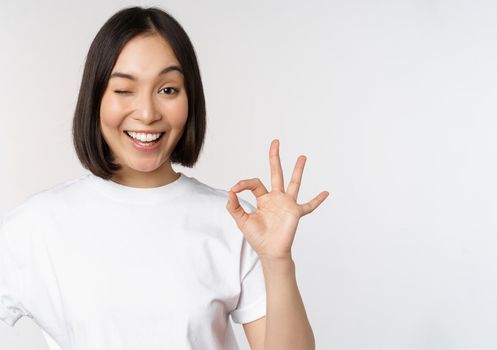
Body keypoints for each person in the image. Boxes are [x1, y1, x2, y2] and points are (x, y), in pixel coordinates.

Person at [0, 6, 328, 350]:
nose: (147, 113)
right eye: (124, 89)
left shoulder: (235, 221)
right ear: (95, 97)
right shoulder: (36, 226)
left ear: (190, 99)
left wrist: (277, 261)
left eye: (168, 90)